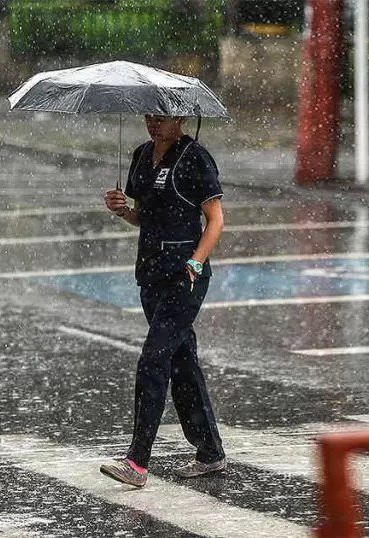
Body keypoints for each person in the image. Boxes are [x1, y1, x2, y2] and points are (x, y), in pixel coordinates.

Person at [99, 114, 226, 488]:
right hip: (151, 274)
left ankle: (137, 461)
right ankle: (210, 452)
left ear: (181, 117)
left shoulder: (195, 157)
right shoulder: (140, 155)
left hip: (184, 277)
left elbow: (216, 220)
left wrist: (195, 262)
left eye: (162, 118)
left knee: (153, 360)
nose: (153, 124)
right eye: (149, 117)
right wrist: (122, 209)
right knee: (182, 362)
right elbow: (147, 217)